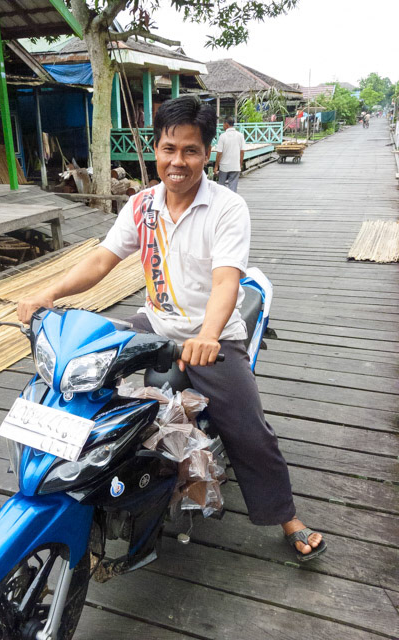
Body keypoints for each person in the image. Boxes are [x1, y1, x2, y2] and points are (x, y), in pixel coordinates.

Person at [17, 95, 326, 562]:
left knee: (249, 429)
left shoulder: (227, 207)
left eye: (190, 150)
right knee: (77, 374)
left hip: (211, 337)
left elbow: (226, 280)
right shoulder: (141, 205)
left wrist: (208, 335)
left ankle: (286, 516)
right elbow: (102, 260)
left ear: (207, 154)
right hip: (155, 323)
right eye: (169, 149)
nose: (177, 161)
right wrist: (50, 293)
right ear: (156, 149)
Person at [213, 115, 245, 193]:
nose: (223, 126)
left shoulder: (222, 136)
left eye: (223, 124)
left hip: (224, 167)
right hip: (235, 166)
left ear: (226, 124)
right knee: (233, 189)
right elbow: (242, 151)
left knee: (221, 188)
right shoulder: (240, 136)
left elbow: (219, 153)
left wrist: (216, 166)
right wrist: (240, 164)